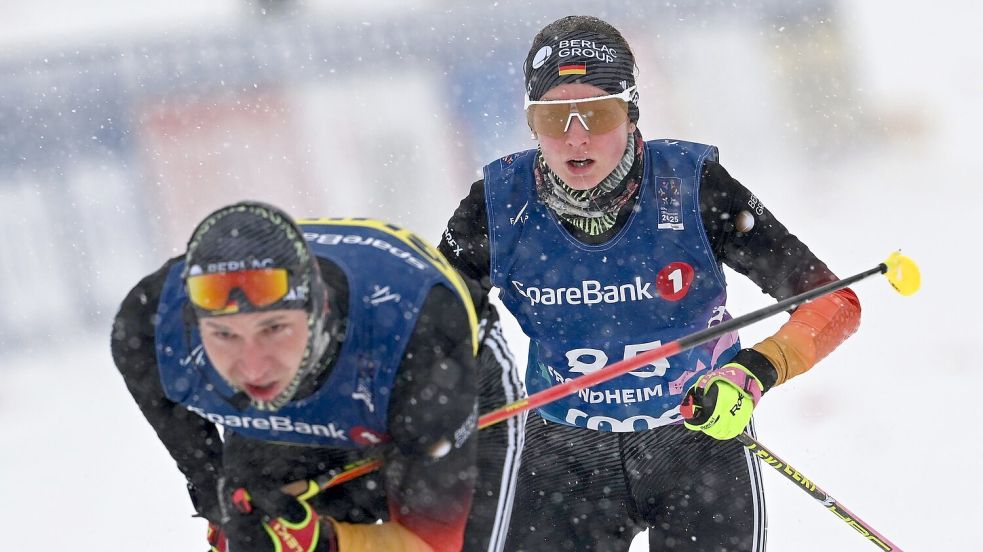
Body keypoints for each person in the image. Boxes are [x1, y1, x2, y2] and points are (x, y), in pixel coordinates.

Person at [438, 15, 862, 552]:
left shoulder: (692, 186)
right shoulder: (500, 204)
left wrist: (755, 370)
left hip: (697, 441)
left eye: (597, 112)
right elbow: (432, 328)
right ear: (531, 122)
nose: (576, 136)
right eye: (553, 117)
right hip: (563, 455)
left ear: (631, 110)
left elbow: (834, 302)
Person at [112, 201, 524, 552]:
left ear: (318, 312)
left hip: (428, 374)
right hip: (324, 392)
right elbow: (214, 483)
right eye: (224, 335)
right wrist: (218, 495)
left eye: (274, 328)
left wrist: (322, 541)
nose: (253, 367)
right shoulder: (148, 330)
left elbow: (430, 544)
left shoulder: (420, 335)